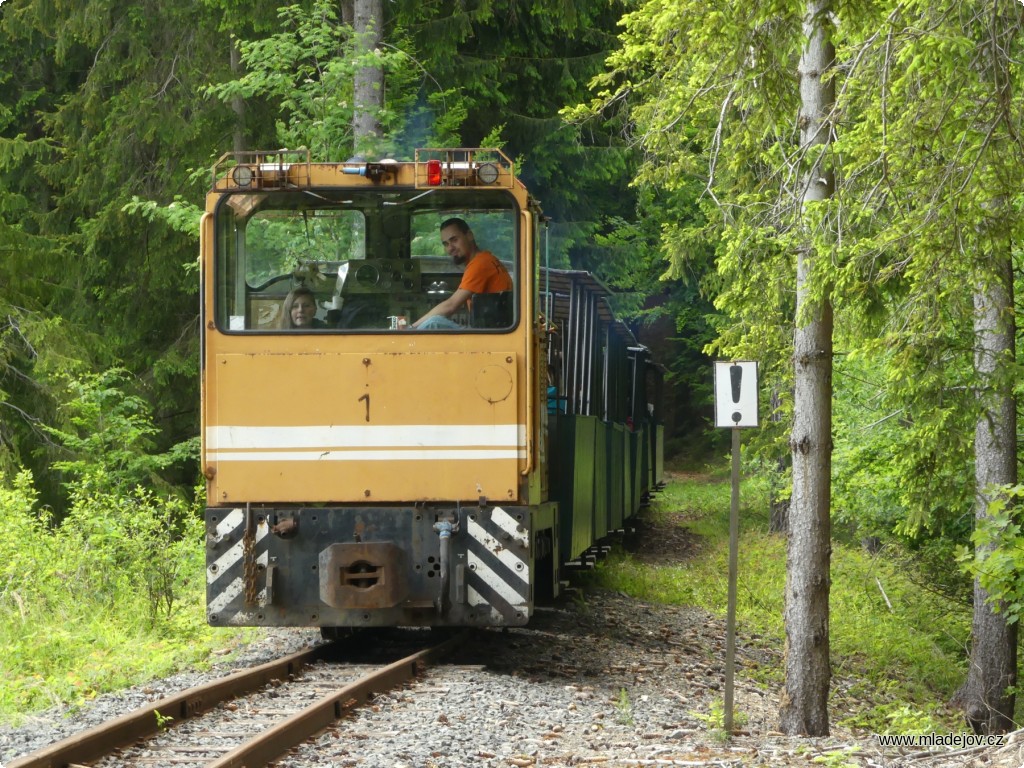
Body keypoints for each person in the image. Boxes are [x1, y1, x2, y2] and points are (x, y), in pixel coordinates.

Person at [410, 217, 512, 329]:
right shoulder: (487, 259)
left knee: (433, 323)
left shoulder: (480, 264)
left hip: (490, 336)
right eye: (446, 244)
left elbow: (451, 305)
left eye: (454, 240)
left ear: (469, 235)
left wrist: (411, 328)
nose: (450, 248)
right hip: (492, 332)